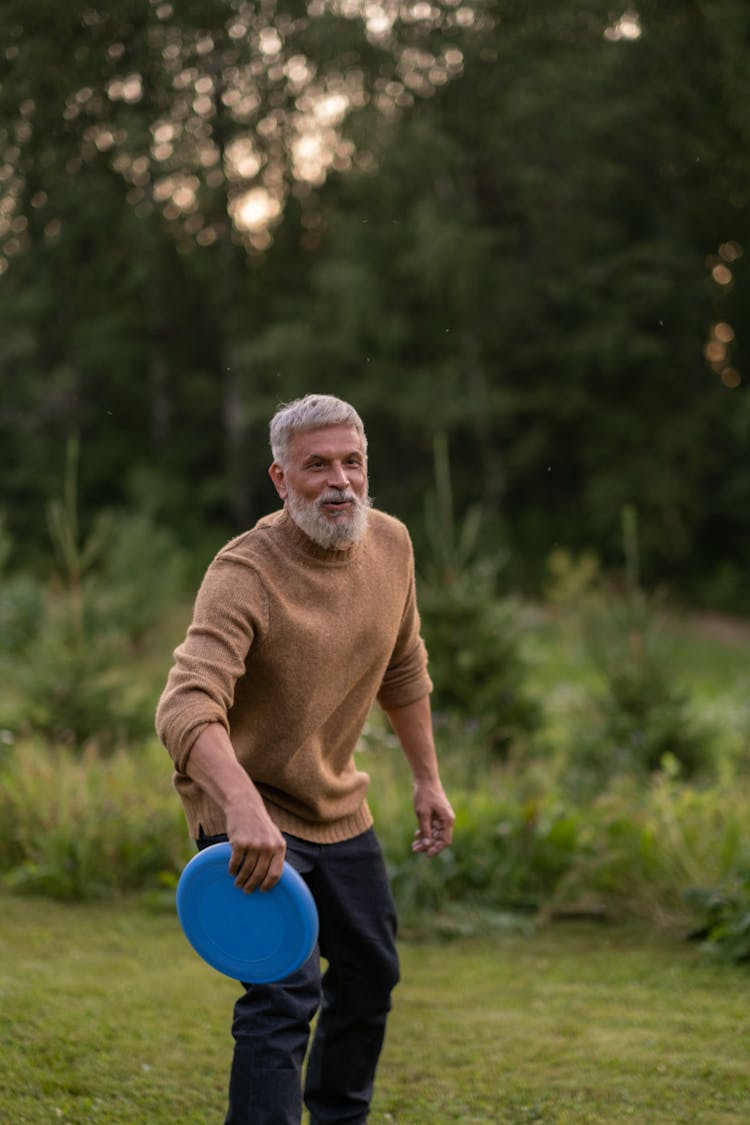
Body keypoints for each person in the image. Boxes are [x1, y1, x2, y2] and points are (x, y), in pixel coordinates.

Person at [156, 393, 455, 1125]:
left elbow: (404, 667)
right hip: (247, 802)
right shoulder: (245, 570)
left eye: (351, 461)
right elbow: (184, 707)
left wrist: (427, 778)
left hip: (334, 804)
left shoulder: (392, 545)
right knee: (283, 991)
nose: (340, 480)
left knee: (369, 974)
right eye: (317, 465)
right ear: (281, 479)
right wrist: (240, 806)